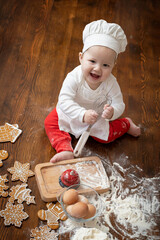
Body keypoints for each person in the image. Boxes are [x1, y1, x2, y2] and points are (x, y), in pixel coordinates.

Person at [44, 19, 141, 163]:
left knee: (107, 138)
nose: (97, 69)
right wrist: (82, 114)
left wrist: (113, 111)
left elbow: (119, 103)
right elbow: (64, 101)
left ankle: (126, 124)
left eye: (106, 65)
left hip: (96, 117)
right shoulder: (74, 77)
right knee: (50, 122)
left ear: (113, 65)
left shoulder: (111, 83)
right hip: (73, 111)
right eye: (92, 61)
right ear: (81, 58)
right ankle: (64, 149)